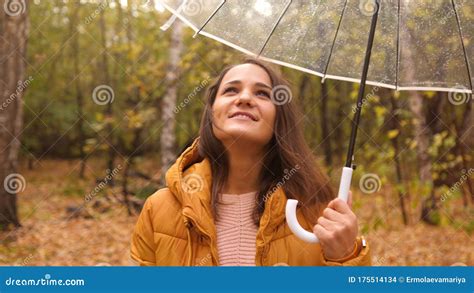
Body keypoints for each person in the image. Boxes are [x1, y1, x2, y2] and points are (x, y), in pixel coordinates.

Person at [130, 58, 371, 266]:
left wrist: (345, 257)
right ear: (212, 112)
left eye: (262, 93)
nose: (245, 98)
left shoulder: (318, 213)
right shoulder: (158, 209)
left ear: (279, 119)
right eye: (231, 90)